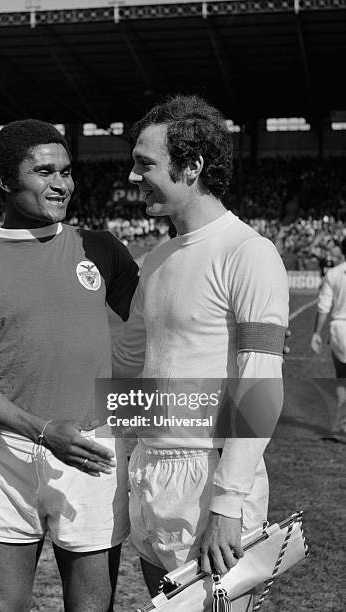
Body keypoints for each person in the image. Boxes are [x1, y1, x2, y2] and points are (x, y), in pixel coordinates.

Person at [0, 120, 139, 612]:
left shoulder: (102, 248)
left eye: (66, 172)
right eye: (44, 171)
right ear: (6, 180)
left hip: (92, 451)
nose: (61, 184)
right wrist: (43, 430)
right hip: (2, 455)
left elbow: (159, 327)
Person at [112, 95, 289, 610]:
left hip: (209, 479)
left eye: (145, 163)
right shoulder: (157, 260)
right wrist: (124, 465)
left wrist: (229, 503)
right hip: (149, 471)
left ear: (191, 167)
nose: (132, 175)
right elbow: (131, 370)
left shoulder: (248, 253)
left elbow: (260, 384)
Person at [311, 236, 346, 436]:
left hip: (339, 330)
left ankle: (337, 422)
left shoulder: (333, 273)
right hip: (339, 328)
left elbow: (323, 306)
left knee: (341, 378)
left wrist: (317, 332)